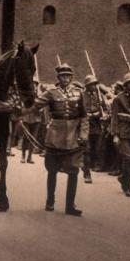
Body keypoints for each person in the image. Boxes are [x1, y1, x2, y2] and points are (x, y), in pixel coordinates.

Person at [33, 63, 89, 215]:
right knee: (52, 170)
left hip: (73, 137)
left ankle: (70, 206)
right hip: (55, 136)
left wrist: (83, 135)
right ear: (58, 77)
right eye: (63, 76)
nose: (66, 78)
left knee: (73, 171)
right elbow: (35, 106)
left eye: (68, 76)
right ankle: (50, 201)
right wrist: (21, 107)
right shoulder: (51, 93)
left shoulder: (79, 93)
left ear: (71, 77)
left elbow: (84, 116)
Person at [83, 74, 107, 177]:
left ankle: (93, 164)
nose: (94, 86)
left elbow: (105, 110)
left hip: (97, 125)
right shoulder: (82, 95)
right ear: (87, 85)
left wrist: (100, 114)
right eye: (91, 84)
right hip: (86, 124)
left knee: (97, 148)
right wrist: (87, 115)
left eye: (95, 84)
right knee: (86, 149)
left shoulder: (100, 96)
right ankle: (87, 171)